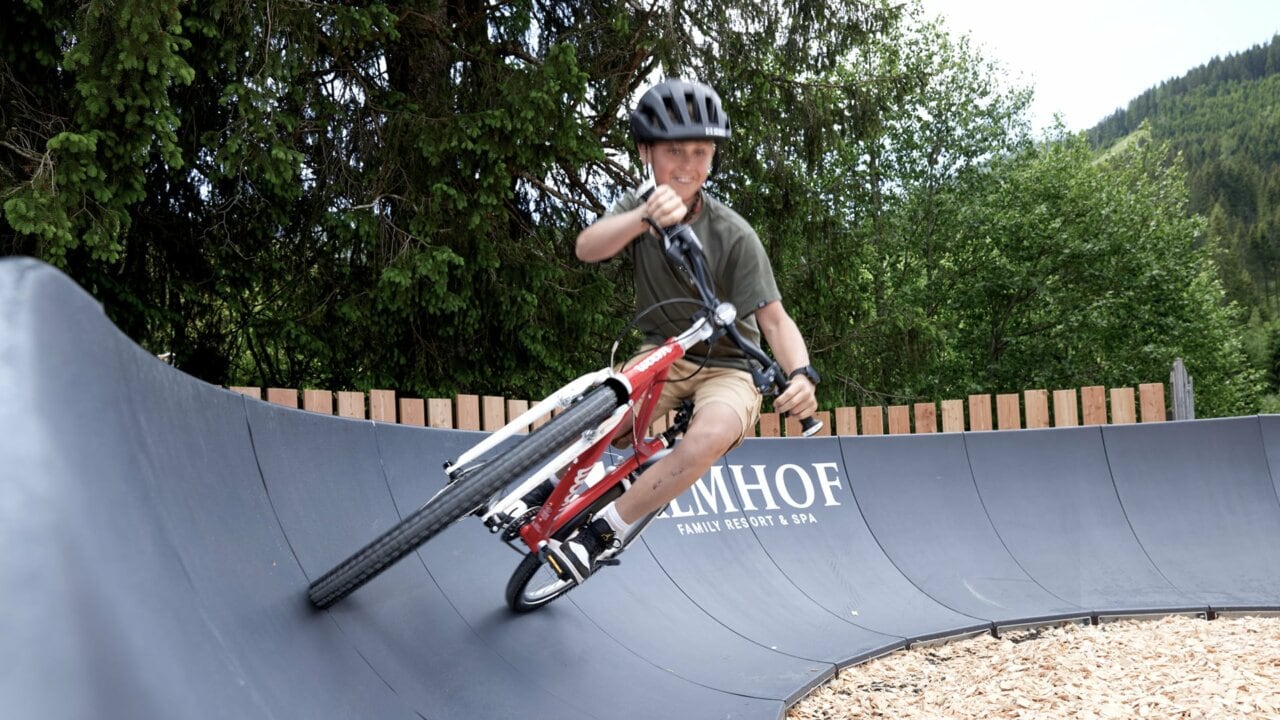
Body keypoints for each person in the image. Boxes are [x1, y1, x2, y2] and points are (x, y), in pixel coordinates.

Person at [543, 77, 821, 584]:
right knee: (602, 412)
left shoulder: (733, 233)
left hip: (730, 367)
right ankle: (559, 484)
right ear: (647, 152)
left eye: (701, 152)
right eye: (675, 151)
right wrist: (642, 219)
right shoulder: (638, 205)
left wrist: (801, 374)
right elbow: (587, 248)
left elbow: (774, 319)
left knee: (706, 437)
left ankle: (602, 533)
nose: (688, 166)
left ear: (713, 158)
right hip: (665, 352)